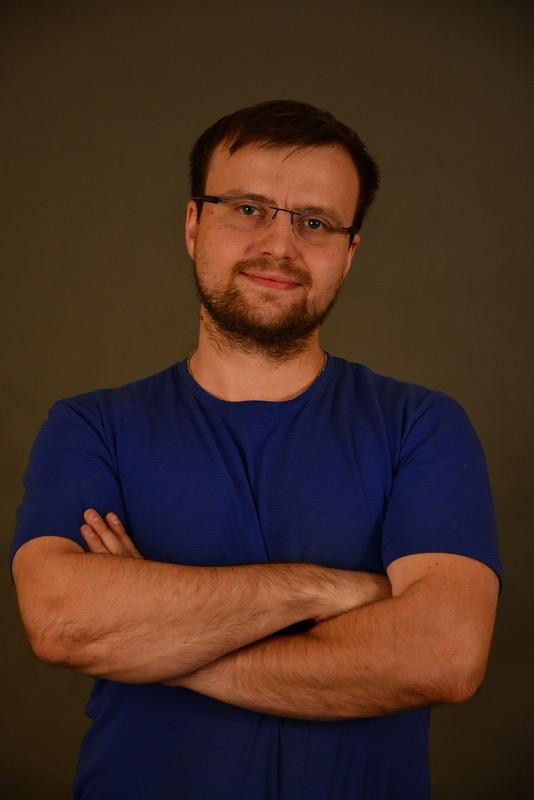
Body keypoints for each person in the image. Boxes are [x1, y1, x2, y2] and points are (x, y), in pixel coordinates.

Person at [10, 99, 501, 800]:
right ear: (193, 225)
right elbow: (65, 624)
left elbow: (443, 656)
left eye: (315, 222)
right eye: (247, 209)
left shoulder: (420, 425)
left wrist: (160, 648)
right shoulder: (91, 427)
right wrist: (325, 589)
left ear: (349, 253)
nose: (280, 245)